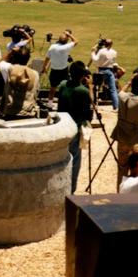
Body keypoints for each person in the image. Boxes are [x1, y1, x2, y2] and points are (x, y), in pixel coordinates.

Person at [57, 62, 94, 193]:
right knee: (75, 161)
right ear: (83, 76)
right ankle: (70, 190)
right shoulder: (83, 91)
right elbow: (89, 113)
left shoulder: (62, 85)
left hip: (61, 127)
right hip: (75, 129)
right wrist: (90, 88)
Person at [111, 71, 138, 183]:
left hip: (122, 138)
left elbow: (121, 91)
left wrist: (129, 82)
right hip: (137, 141)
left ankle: (121, 193)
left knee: (122, 168)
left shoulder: (122, 97)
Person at [0, 46, 40, 119]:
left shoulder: (9, 69)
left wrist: (12, 51)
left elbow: (2, 61)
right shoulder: (35, 74)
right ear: (28, 58)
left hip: (11, 111)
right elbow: (36, 91)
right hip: (29, 112)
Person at [41, 29, 78, 103]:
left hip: (54, 70)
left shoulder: (52, 47)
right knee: (66, 87)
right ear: (66, 41)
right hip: (63, 70)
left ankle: (50, 104)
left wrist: (44, 67)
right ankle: (65, 102)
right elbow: (76, 41)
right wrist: (69, 35)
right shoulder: (66, 47)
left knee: (52, 89)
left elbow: (47, 59)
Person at [90, 38, 120, 109]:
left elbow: (95, 59)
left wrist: (92, 52)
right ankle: (116, 107)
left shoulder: (101, 51)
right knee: (113, 90)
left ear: (104, 44)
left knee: (95, 88)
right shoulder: (114, 52)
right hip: (109, 71)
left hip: (101, 71)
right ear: (111, 44)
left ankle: (93, 104)